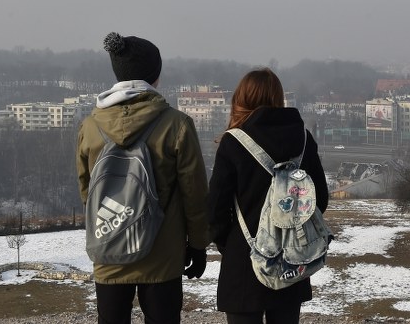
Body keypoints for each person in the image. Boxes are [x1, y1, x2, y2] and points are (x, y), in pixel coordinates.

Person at [77, 32, 209, 324]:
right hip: (162, 254)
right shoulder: (177, 124)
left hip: (109, 245)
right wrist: (198, 244)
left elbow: (87, 189)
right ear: (155, 76)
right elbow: (195, 193)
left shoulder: (90, 126)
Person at [208, 68, 329, 324]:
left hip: (244, 259)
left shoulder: (233, 142)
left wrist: (231, 246)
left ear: (242, 98)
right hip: (292, 258)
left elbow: (216, 210)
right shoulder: (303, 139)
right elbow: (321, 199)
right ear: (278, 97)